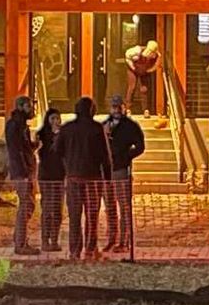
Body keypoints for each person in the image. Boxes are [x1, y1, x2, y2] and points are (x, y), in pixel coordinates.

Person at [59, 96, 112, 260]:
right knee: (92, 215)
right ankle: (90, 248)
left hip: (73, 177)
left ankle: (74, 251)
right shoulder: (97, 128)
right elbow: (105, 155)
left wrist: (66, 168)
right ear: (92, 110)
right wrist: (108, 177)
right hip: (92, 177)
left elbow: (57, 150)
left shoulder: (67, 128)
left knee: (74, 216)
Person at [102, 93, 144, 253]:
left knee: (124, 206)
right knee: (109, 206)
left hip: (121, 170)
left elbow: (140, 146)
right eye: (114, 106)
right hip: (107, 171)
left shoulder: (130, 126)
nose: (116, 109)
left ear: (124, 107)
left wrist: (126, 156)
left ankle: (124, 241)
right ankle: (111, 238)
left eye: (119, 106)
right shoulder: (104, 124)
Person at [4, 93, 39, 254]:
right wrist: (24, 171)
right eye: (29, 106)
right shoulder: (15, 125)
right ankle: (21, 243)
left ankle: (20, 239)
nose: (31, 109)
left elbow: (23, 148)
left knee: (28, 204)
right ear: (21, 107)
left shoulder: (21, 125)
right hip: (22, 172)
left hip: (25, 170)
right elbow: (16, 150)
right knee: (27, 205)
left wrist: (34, 145)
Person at [36, 106, 66, 252]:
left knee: (58, 209)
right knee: (47, 208)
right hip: (46, 175)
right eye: (53, 118)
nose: (56, 121)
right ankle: (45, 240)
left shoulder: (64, 135)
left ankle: (54, 239)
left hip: (60, 175)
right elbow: (42, 153)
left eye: (57, 118)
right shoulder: (42, 135)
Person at [124, 39, 161, 115]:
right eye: (151, 52)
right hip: (133, 69)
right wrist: (133, 67)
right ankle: (128, 109)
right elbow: (127, 56)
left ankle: (145, 109)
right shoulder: (137, 51)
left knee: (144, 89)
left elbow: (157, 64)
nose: (152, 55)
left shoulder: (156, 55)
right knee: (132, 87)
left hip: (144, 71)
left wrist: (150, 70)